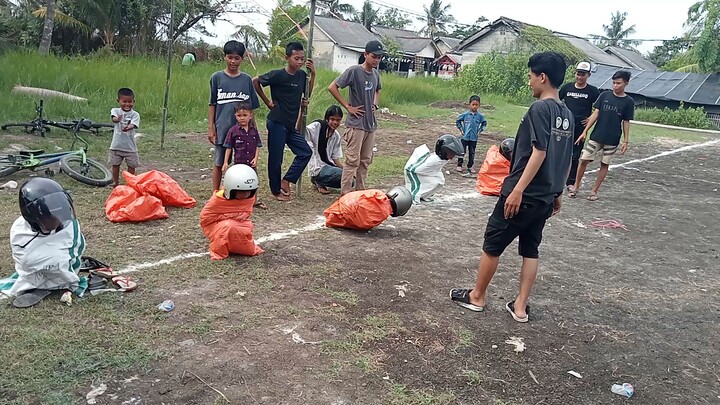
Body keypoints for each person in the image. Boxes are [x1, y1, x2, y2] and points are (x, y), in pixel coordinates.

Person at [450, 52, 574, 323]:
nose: (529, 82)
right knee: (531, 249)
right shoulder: (567, 114)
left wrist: (517, 189)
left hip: (524, 194)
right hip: (545, 198)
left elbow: (539, 152)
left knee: (492, 245)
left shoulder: (540, 109)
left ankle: (477, 297)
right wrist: (558, 192)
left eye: (531, 76)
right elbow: (566, 157)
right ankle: (520, 307)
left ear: (542, 77)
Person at [0, 178, 85, 308]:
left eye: (59, 213)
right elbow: (26, 263)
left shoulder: (68, 225)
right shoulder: (20, 232)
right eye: (50, 216)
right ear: (33, 217)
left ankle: (53, 282)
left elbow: (76, 249)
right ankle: (45, 283)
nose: (58, 220)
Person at [253, 42, 315, 201]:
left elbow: (307, 92)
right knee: (276, 158)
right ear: (287, 58)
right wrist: (267, 102)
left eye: (302, 59)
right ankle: (275, 190)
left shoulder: (302, 75)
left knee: (305, 152)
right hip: (277, 122)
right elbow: (255, 81)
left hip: (290, 125)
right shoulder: (278, 75)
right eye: (296, 58)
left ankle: (286, 180)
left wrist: (313, 75)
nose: (300, 62)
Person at [328, 40, 385, 195]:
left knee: (365, 161)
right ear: (365, 54)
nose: (377, 60)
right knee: (352, 161)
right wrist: (347, 106)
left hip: (370, 124)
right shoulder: (354, 71)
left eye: (379, 57)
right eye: (374, 56)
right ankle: (345, 193)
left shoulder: (375, 74)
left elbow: (378, 90)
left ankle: (360, 191)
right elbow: (333, 87)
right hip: (356, 124)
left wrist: (375, 104)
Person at [571, 70, 634, 201]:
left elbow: (626, 121)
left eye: (619, 83)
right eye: (614, 83)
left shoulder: (628, 102)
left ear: (626, 84)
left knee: (604, 164)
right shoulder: (605, 95)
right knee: (584, 160)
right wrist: (585, 131)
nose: (615, 86)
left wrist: (626, 141)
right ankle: (576, 186)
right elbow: (596, 114)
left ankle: (594, 191)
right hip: (596, 136)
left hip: (612, 138)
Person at [208, 40, 260, 193]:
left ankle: (250, 195)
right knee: (219, 162)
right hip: (223, 128)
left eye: (236, 58)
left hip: (244, 130)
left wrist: (254, 129)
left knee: (248, 162)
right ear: (224, 57)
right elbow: (212, 104)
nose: (233, 61)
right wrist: (211, 127)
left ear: (242, 59)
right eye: (230, 57)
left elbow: (252, 108)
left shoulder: (246, 80)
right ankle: (216, 193)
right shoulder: (217, 78)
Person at [200, 164, 264, 260]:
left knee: (241, 227)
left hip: (241, 225)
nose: (246, 194)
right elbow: (205, 218)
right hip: (219, 227)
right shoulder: (218, 200)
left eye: (249, 191)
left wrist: (236, 218)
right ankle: (220, 249)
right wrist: (231, 217)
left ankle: (239, 247)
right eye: (241, 191)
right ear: (230, 189)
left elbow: (245, 215)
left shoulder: (249, 198)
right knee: (228, 226)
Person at [559, 62, 600, 191]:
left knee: (575, 156)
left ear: (588, 75)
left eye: (583, 75)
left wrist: (590, 119)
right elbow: (556, 101)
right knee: (560, 152)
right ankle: (557, 178)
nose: (580, 77)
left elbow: (599, 108)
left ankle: (571, 182)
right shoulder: (567, 88)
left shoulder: (593, 91)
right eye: (578, 74)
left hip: (580, 128)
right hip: (564, 126)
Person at [222, 102, 267, 209]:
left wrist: (256, 158)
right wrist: (225, 162)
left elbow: (258, 145)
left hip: (251, 163)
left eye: (245, 115)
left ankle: (254, 201)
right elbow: (228, 147)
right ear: (235, 116)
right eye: (239, 115)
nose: (242, 118)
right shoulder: (233, 131)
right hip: (239, 163)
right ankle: (236, 201)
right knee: (238, 182)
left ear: (250, 116)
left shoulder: (254, 131)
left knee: (253, 181)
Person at [404, 134, 464, 203]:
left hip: (429, 171)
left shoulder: (443, 159)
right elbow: (414, 170)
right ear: (443, 151)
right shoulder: (434, 160)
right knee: (432, 182)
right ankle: (414, 196)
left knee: (440, 181)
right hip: (412, 172)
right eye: (451, 153)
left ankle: (425, 196)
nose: (452, 156)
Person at [305, 105, 345, 194]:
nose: (335, 122)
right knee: (342, 175)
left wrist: (347, 170)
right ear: (327, 119)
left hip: (328, 166)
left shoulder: (336, 136)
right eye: (332, 119)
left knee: (350, 180)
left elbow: (335, 158)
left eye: (338, 120)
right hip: (317, 166)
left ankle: (319, 181)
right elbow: (302, 130)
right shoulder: (317, 126)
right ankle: (317, 179)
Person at [109, 87, 141, 187]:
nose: (127, 104)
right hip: (116, 145)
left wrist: (128, 127)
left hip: (130, 147)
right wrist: (117, 119)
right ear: (118, 101)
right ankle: (115, 181)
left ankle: (130, 183)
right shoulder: (115, 111)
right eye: (124, 101)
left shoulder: (135, 114)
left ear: (134, 102)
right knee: (115, 164)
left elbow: (134, 125)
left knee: (131, 165)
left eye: (130, 102)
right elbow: (113, 119)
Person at [455, 95, 488, 176]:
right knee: (462, 151)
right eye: (473, 104)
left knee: (472, 152)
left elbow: (484, 123)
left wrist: (479, 131)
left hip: (474, 138)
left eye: (476, 105)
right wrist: (461, 130)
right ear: (469, 104)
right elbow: (458, 121)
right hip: (465, 137)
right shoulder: (465, 115)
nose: (474, 106)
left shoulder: (480, 116)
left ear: (479, 105)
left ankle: (470, 166)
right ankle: (459, 165)